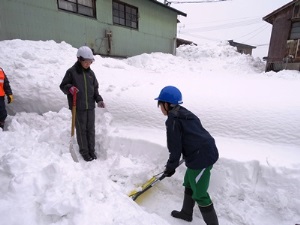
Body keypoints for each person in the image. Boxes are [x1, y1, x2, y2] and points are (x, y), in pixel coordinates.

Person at [155, 86, 219, 225]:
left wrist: (170, 166)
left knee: (200, 195)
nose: (160, 108)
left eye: (160, 104)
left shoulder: (173, 120)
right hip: (199, 152)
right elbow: (193, 135)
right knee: (189, 182)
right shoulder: (184, 113)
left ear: (166, 104)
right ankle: (186, 213)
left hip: (201, 157)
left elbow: (174, 148)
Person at [60, 46, 105, 162]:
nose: (88, 64)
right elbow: (63, 85)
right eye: (86, 62)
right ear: (79, 59)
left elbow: (95, 89)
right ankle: (84, 152)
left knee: (91, 129)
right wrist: (69, 88)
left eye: (90, 62)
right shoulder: (71, 72)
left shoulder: (91, 74)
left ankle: (91, 150)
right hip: (78, 106)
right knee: (81, 129)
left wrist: (99, 99)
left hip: (90, 106)